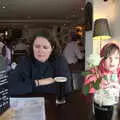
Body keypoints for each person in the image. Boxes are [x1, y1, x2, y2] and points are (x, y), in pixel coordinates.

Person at [8, 32, 72, 96]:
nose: (40, 50)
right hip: (29, 103)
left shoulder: (59, 61)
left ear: (52, 48)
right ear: (32, 47)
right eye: (37, 46)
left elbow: (66, 89)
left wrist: (26, 86)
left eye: (45, 47)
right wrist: (38, 82)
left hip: (53, 103)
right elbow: (10, 88)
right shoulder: (25, 61)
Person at [83, 43, 120, 120]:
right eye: (109, 58)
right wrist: (98, 84)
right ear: (102, 59)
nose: (113, 61)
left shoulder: (118, 71)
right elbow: (86, 89)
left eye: (116, 58)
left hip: (115, 109)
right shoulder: (95, 71)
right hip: (98, 110)